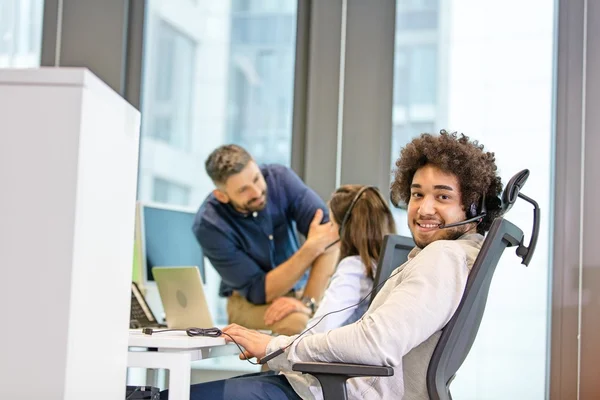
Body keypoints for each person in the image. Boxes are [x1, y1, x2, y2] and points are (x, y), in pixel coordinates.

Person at [169, 131, 504, 400]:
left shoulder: (440, 259)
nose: (424, 208)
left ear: (473, 204)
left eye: (442, 196)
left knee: (166, 395)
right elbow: (259, 289)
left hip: (331, 390)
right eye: (417, 194)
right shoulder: (454, 254)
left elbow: (374, 343)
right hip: (323, 381)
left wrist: (274, 346)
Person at [193, 145, 339, 336]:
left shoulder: (280, 178)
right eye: (243, 190)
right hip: (248, 302)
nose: (256, 192)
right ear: (222, 196)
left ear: (255, 164)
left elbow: (331, 236)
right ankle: (275, 368)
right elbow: (259, 291)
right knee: (297, 324)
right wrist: (310, 249)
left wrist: (307, 302)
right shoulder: (210, 225)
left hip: (304, 291)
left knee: (347, 321)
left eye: (256, 179)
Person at [303, 184, 397, 335]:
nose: (329, 230)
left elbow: (317, 331)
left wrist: (274, 345)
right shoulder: (383, 263)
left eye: (332, 224)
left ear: (344, 230)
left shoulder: (354, 268)